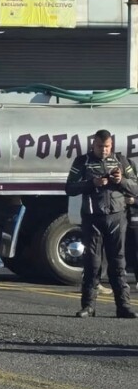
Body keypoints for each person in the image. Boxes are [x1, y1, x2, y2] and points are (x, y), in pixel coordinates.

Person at [66, 128, 137, 318]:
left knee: (118, 262)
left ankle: (123, 306)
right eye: (99, 146)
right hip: (92, 217)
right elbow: (69, 188)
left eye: (106, 147)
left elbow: (136, 188)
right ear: (93, 144)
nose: (103, 150)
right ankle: (88, 306)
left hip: (116, 216)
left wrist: (121, 181)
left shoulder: (122, 161)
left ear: (111, 145)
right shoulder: (83, 161)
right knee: (92, 263)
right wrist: (92, 183)